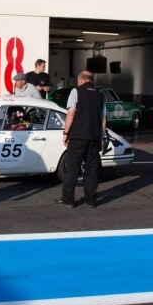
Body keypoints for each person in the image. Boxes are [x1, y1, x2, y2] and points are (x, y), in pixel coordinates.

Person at [58, 71, 106, 208]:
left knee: (73, 167)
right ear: (91, 81)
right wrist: (101, 138)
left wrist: (66, 132)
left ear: (80, 81)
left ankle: (68, 198)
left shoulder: (76, 92)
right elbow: (103, 119)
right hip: (94, 137)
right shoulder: (100, 95)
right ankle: (90, 199)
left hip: (78, 135)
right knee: (92, 169)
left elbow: (71, 113)